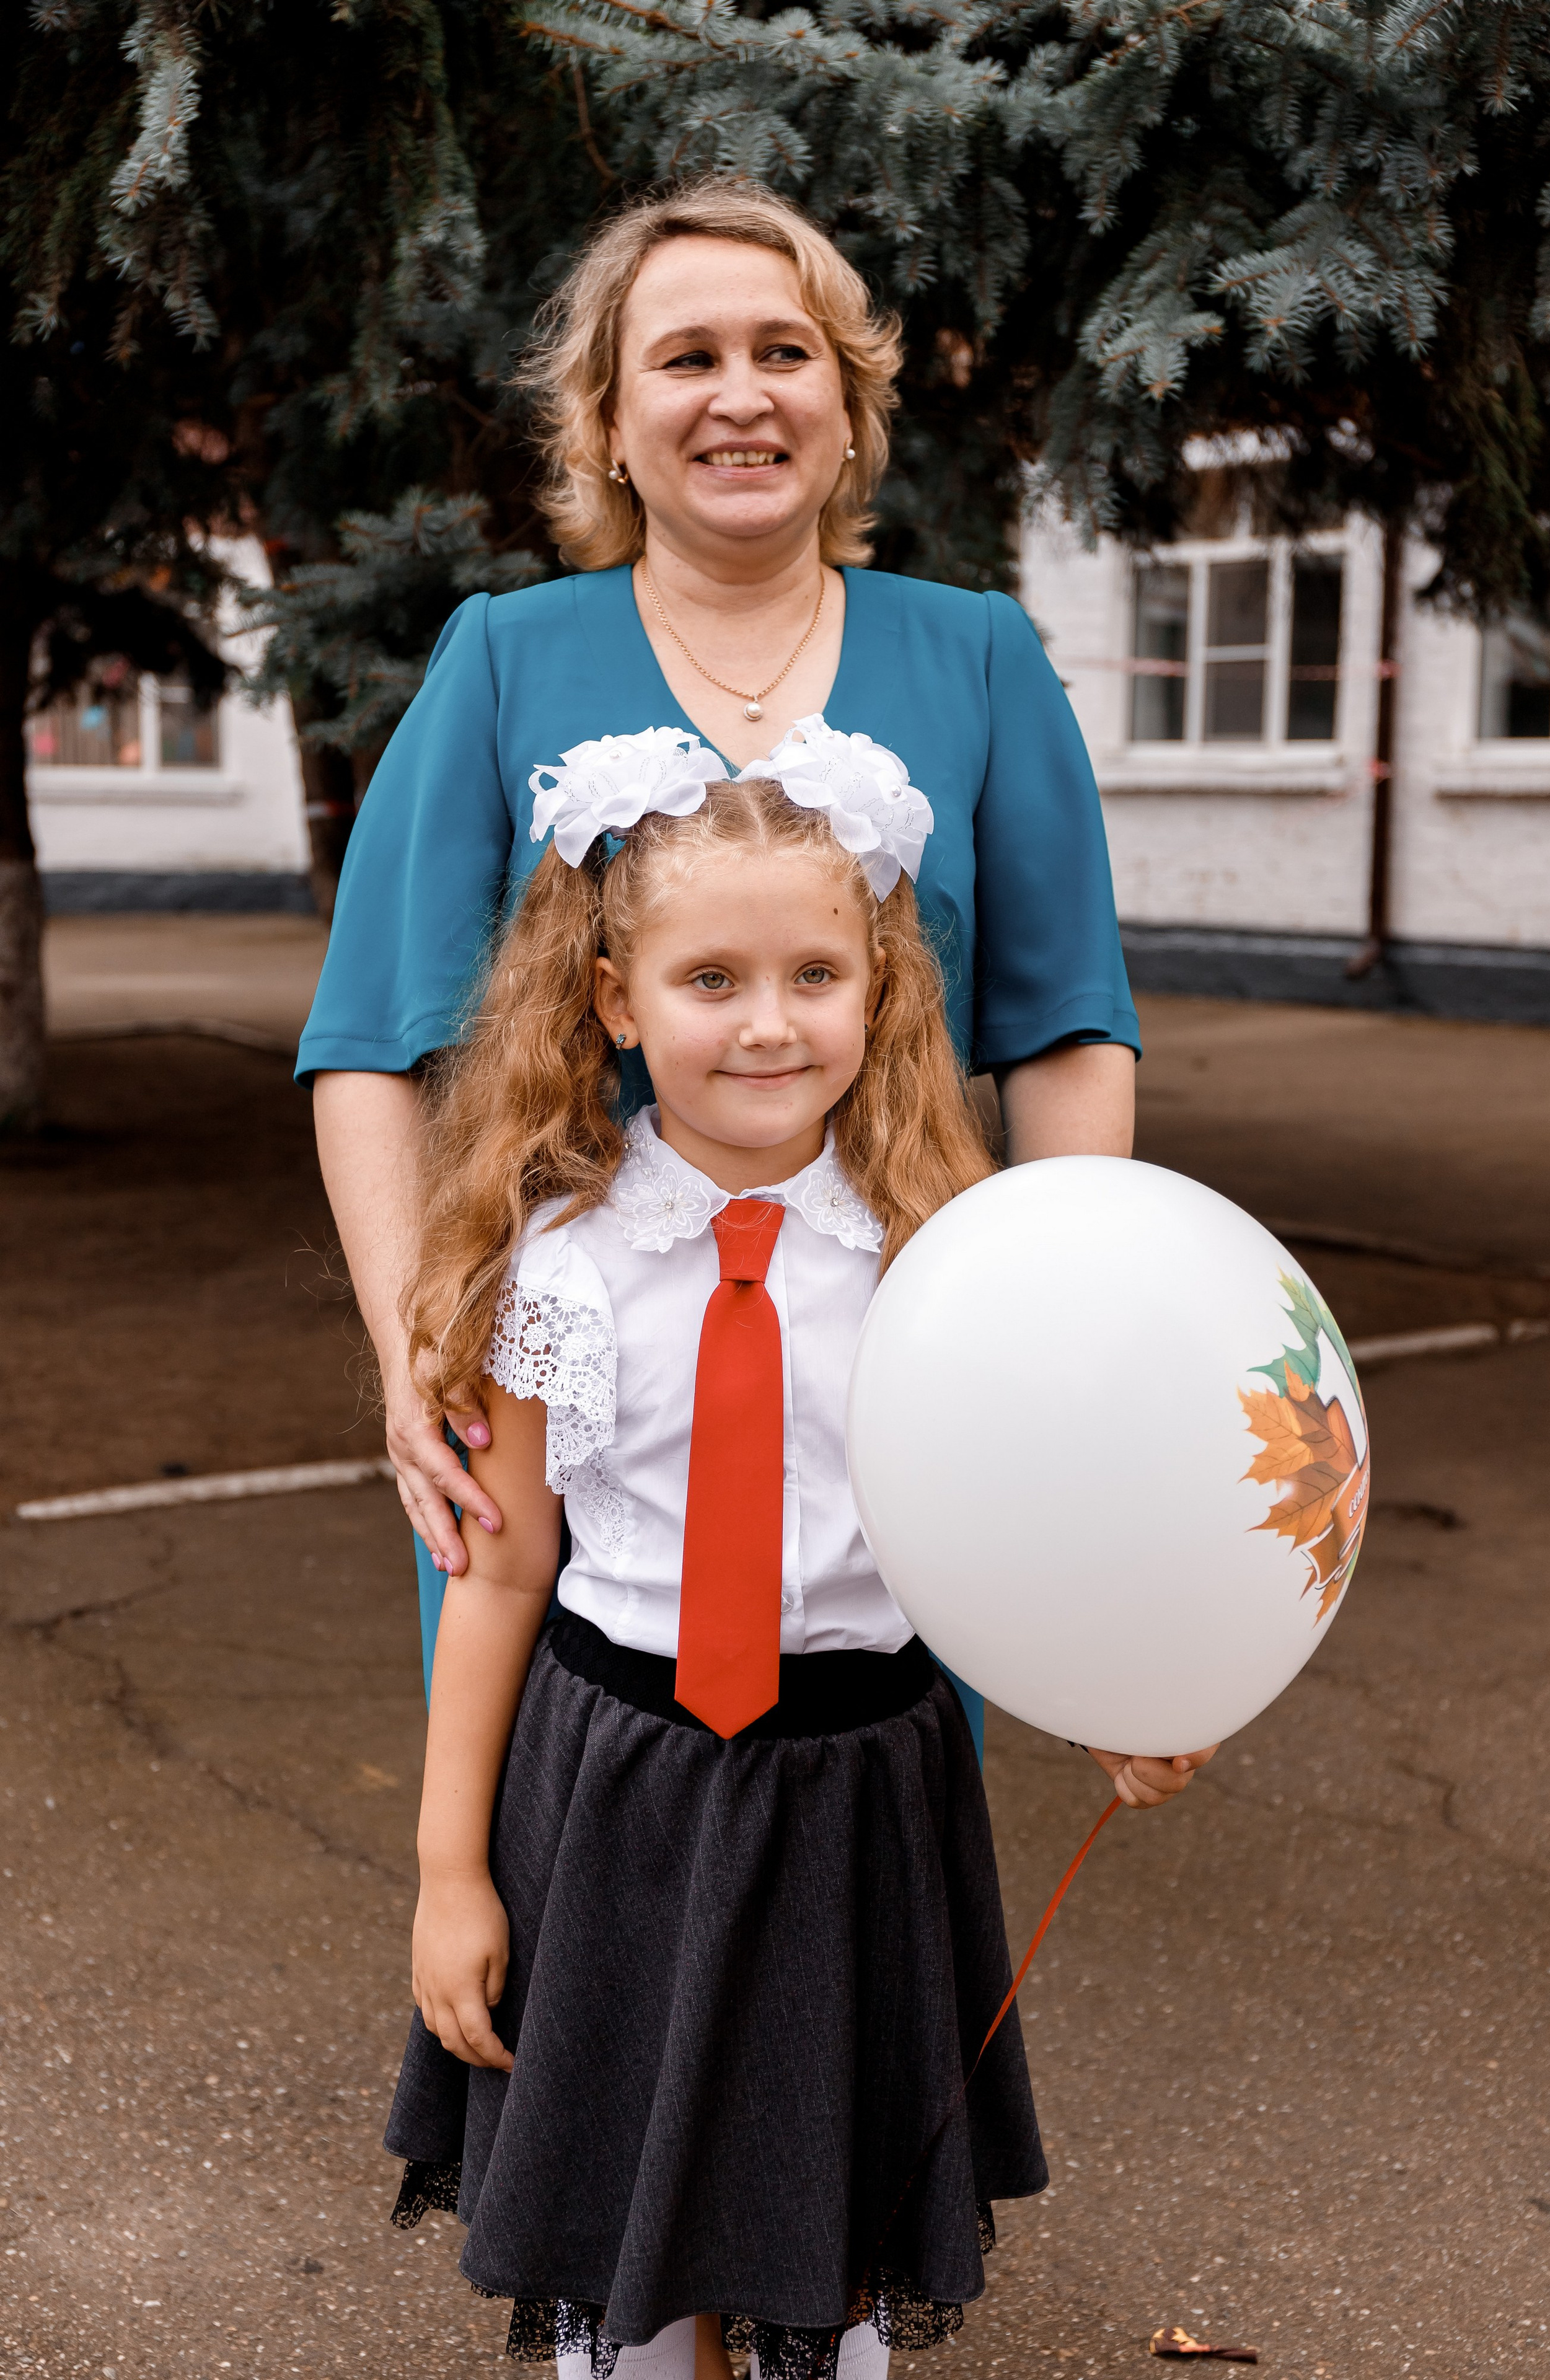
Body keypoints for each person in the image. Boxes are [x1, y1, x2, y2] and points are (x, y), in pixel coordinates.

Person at [384, 738, 1214, 2380]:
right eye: (713, 978)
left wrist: (1123, 1694)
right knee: (628, 2257)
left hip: (860, 1799)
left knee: (821, 2254)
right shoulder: (558, 1261)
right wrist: (448, 1870)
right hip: (615, 1793)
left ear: (878, 990)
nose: (769, 1022)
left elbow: (1012, 1527)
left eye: (814, 974)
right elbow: (497, 1573)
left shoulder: (948, 1255)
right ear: (618, 1000)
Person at [297, 178, 1143, 1735]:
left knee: (865, 1841)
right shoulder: (502, 657)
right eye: (686, 358)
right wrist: (418, 1348)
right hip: (570, 1400)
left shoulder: (976, 656)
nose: (740, 395)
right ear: (607, 422)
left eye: (785, 352)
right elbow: (367, 1042)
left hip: (885, 1368)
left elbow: (1068, 1025)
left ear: (846, 405)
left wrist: (1042, 1326)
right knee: (558, 1855)